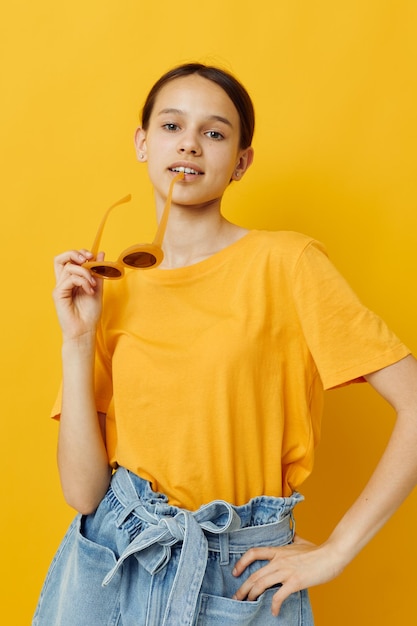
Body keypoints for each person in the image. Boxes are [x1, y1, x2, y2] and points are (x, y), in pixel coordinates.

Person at [33, 63, 417, 626]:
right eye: (171, 126)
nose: (189, 143)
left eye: (214, 133)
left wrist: (338, 549)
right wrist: (77, 340)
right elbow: (85, 495)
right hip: (114, 562)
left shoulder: (288, 263)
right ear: (143, 143)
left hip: (237, 574)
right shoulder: (109, 287)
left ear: (241, 160)